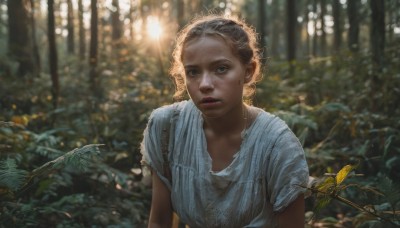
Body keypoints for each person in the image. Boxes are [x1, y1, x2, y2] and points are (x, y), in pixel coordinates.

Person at [141, 14, 309, 228]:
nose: (204, 84)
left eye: (221, 68)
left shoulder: (278, 146)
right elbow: (159, 221)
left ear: (248, 71)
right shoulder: (167, 128)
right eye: (193, 72)